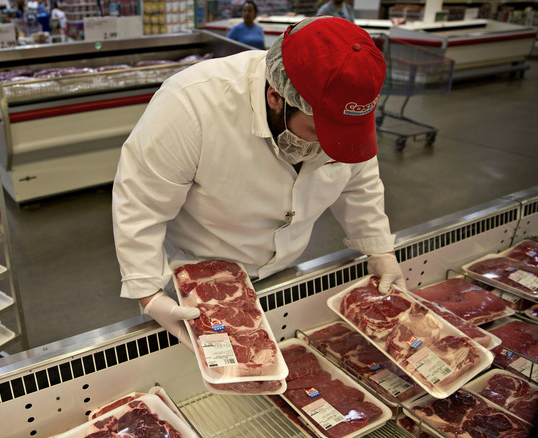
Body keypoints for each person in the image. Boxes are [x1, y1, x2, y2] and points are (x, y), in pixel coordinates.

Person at [111, 16, 405, 349]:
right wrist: (149, 294)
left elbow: (358, 180)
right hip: (198, 277)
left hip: (283, 273)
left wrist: (378, 246)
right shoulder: (191, 103)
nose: (328, 149)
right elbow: (141, 204)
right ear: (276, 97)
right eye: (318, 133)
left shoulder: (342, 112)